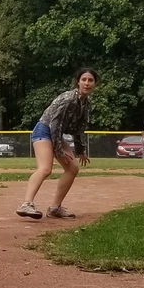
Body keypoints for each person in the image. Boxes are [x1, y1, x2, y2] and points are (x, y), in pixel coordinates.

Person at [17, 69, 96, 219]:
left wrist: (81, 150)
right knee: (45, 169)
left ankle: (55, 208)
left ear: (95, 84)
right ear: (78, 82)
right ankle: (26, 204)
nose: (87, 83)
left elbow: (80, 128)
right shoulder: (68, 98)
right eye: (84, 79)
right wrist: (58, 149)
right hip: (44, 130)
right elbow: (55, 123)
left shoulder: (86, 104)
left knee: (72, 168)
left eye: (90, 80)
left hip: (57, 135)